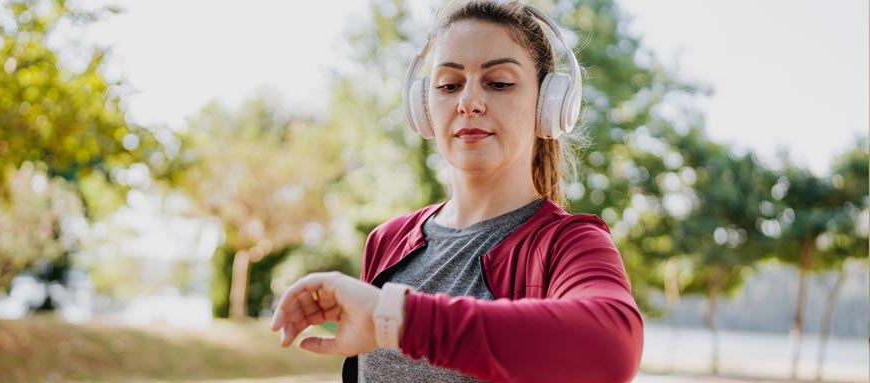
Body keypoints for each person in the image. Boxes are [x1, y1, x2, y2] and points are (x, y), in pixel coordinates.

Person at [266, 1, 643, 382]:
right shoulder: (387, 240)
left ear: (549, 104)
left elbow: (612, 350)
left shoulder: (569, 243)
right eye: (449, 84)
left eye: (499, 83)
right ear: (423, 106)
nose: (468, 103)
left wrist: (397, 318)